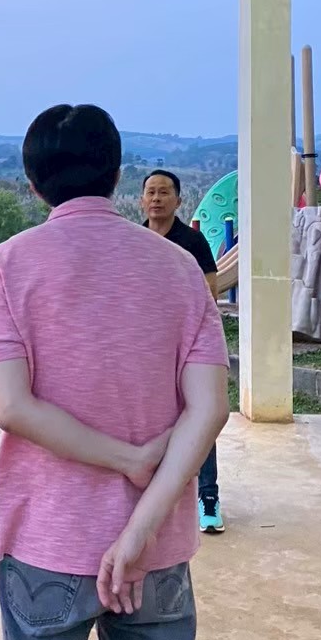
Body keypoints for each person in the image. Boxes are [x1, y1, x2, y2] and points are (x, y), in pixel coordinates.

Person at [0, 104, 230, 640]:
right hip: (157, 547)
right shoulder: (180, 269)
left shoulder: (7, 265)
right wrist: (139, 529)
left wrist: (123, 458)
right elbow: (209, 408)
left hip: (47, 541)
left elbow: (12, 407)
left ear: (33, 184)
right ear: (116, 175)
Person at [140, 169, 226, 535]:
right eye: (151, 192)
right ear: (142, 200)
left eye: (164, 192)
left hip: (187, 346)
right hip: (144, 348)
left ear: (178, 200)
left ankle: (208, 498)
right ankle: (152, 495)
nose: (156, 199)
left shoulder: (192, 242)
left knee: (199, 416)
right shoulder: (135, 240)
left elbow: (210, 293)